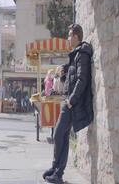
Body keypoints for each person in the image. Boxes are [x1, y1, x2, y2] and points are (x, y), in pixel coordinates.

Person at [43, 24, 94, 184]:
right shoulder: (76, 54)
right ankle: (56, 170)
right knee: (62, 136)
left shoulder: (82, 53)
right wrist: (66, 67)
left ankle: (57, 171)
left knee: (58, 134)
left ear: (76, 37)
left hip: (72, 102)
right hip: (68, 100)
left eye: (69, 35)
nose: (67, 38)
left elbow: (82, 79)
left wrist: (71, 100)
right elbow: (74, 74)